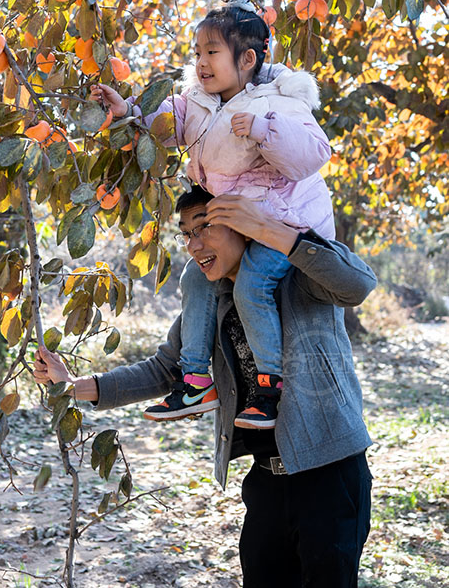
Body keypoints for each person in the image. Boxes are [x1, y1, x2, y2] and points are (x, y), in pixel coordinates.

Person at [33, 189, 376, 588]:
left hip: (330, 474)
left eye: (205, 228)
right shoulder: (210, 303)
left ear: (241, 225)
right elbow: (164, 369)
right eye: (186, 234)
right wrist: (74, 386)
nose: (194, 246)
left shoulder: (300, 279)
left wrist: (274, 231)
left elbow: (358, 284)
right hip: (265, 481)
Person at [91, 0, 335, 429]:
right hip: (241, 223)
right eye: (197, 52)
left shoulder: (279, 100)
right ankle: (195, 379)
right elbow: (169, 122)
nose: (201, 62)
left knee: (251, 287)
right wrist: (129, 110)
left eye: (212, 52)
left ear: (247, 60)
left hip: (286, 222)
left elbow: (314, 154)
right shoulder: (200, 104)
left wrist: (264, 130)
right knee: (194, 277)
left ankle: (269, 386)